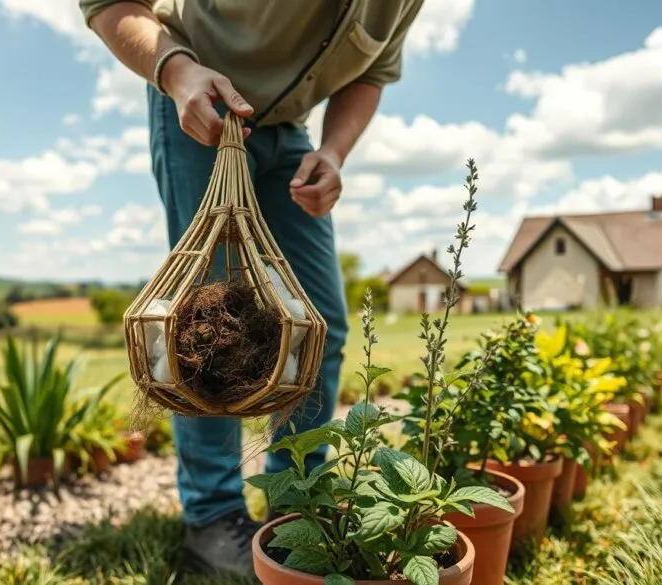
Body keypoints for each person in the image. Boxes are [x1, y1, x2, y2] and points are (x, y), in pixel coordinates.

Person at [79, 0, 424, 577]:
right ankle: (213, 516)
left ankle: (298, 504)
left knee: (317, 321)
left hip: (288, 130)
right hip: (197, 102)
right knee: (204, 326)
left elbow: (370, 73)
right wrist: (174, 68)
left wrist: (334, 152)